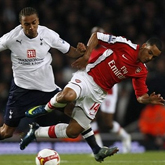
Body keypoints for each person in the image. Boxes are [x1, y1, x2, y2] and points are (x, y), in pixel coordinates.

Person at [20, 30, 164, 161]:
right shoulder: (125, 45)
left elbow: (140, 96)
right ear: (145, 45)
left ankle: (36, 132)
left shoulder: (141, 71)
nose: (150, 58)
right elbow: (97, 36)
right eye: (150, 53)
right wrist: (86, 56)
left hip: (99, 94)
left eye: (154, 57)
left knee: (73, 131)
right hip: (88, 77)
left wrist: (148, 99)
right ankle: (46, 108)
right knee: (68, 96)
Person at [0, 7, 85, 140]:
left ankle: (96, 148)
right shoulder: (11, 38)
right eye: (26, 24)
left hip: (48, 88)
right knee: (6, 132)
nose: (31, 27)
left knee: (78, 115)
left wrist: (80, 52)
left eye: (34, 22)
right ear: (21, 25)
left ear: (38, 21)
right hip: (22, 91)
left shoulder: (48, 35)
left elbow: (70, 51)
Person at [89, 27, 131, 153]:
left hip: (109, 89)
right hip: (94, 88)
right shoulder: (89, 51)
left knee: (108, 122)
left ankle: (126, 137)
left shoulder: (110, 50)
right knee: (90, 117)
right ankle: (97, 148)